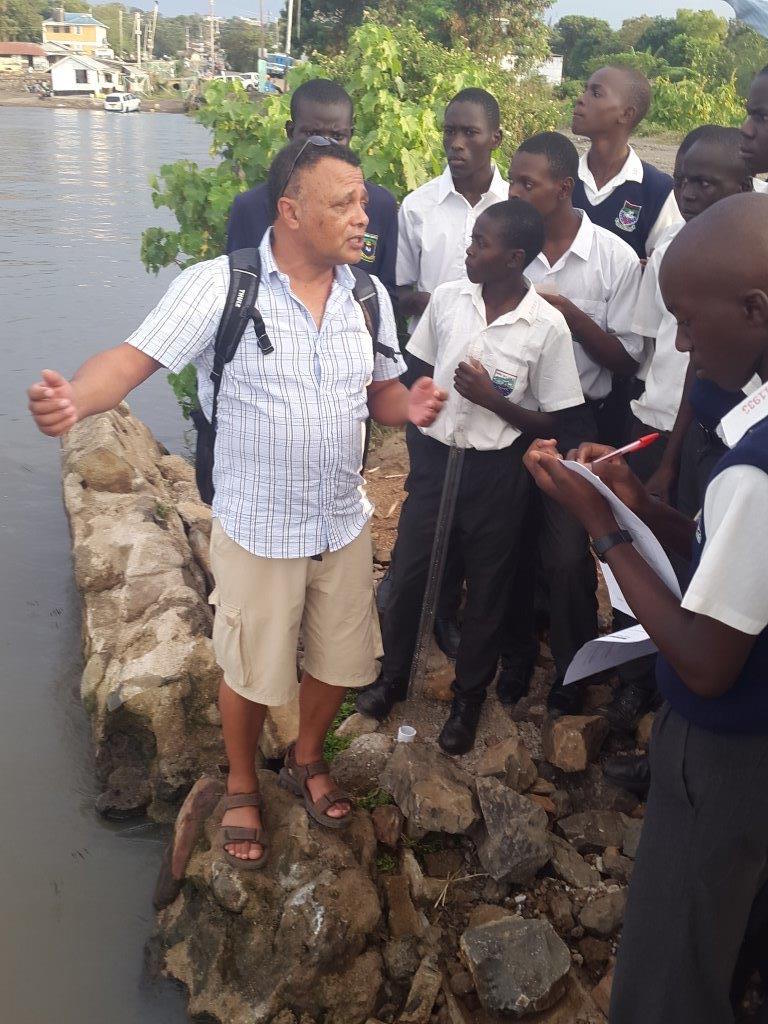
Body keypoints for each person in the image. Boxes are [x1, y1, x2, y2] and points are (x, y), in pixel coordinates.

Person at [27, 139, 446, 867]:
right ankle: (243, 780)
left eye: (365, 201)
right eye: (343, 202)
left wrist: (411, 402)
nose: (363, 215)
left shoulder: (367, 295)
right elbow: (133, 360)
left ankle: (307, 757)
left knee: (343, 662)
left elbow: (378, 392)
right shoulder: (221, 285)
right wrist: (76, 398)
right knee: (250, 670)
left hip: (341, 521)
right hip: (257, 525)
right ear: (290, 211)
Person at [523, 192, 768, 1024]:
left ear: (755, 309)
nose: (685, 346)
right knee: (731, 939)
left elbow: (704, 658)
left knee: (668, 977)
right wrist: (642, 503)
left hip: (729, 748)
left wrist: (603, 530)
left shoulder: (755, 467)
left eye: (691, 323)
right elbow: (734, 557)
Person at [356, 199, 585, 754]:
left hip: (495, 470)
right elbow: (420, 365)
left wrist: (492, 399)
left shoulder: (545, 326)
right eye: (470, 239)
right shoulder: (449, 301)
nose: (469, 251)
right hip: (437, 462)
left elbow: (555, 417)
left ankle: (468, 699)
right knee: (410, 571)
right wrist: (423, 400)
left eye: (480, 244)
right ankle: (391, 677)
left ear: (513, 258)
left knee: (487, 586)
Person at [600, 127, 755, 756]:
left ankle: (669, 703)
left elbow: (698, 369)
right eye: (682, 178)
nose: (687, 192)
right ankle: (639, 684)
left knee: (698, 569)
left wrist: (667, 459)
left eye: (705, 182)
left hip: (700, 437)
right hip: (658, 422)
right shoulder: (674, 245)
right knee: (668, 551)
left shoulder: (740, 260)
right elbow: (664, 352)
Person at [502, 131, 642, 716]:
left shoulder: (612, 258)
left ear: (562, 189)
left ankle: (573, 665)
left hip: (578, 417)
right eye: (511, 179)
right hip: (506, 416)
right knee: (505, 541)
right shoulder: (505, 248)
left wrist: (566, 312)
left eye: (525, 183)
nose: (511, 191)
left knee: (565, 552)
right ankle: (511, 655)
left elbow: (626, 361)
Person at [395, 86, 509, 657]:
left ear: (495, 138)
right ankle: (423, 609)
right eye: (449, 132)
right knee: (430, 485)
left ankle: (464, 607)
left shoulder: (518, 206)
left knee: (481, 499)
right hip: (434, 363)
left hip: (499, 375)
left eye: (470, 133)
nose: (457, 144)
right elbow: (403, 291)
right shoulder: (417, 207)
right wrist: (443, 302)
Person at [226, 79, 398, 297]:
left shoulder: (380, 206)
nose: (325, 146)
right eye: (312, 134)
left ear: (351, 135)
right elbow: (236, 285)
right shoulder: (250, 207)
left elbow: (386, 293)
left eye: (337, 136)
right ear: (291, 131)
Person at [571, 65, 680, 260]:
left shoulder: (657, 191)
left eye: (595, 93)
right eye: (585, 89)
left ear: (626, 114)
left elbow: (664, 268)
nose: (580, 99)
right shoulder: (564, 178)